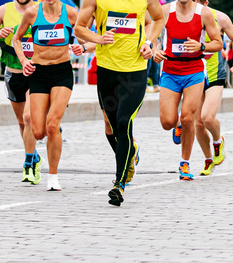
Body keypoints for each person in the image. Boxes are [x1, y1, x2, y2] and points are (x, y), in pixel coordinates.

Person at [76, 0, 166, 206]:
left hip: (135, 71)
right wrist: (98, 38)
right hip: (107, 71)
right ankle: (131, 154)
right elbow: (79, 28)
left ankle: (119, 184)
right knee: (114, 127)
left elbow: (159, 19)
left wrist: (149, 42)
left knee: (125, 122)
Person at [11, 0, 85, 191]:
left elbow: (83, 33)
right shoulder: (32, 13)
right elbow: (16, 39)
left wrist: (81, 46)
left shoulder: (71, 13)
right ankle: (41, 153)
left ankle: (53, 176)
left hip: (62, 72)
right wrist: (23, 60)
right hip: (38, 73)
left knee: (52, 125)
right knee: (38, 132)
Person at [151, 0, 222, 180]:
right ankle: (178, 126)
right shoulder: (165, 11)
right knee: (167, 122)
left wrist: (202, 47)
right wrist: (154, 50)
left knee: (188, 116)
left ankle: (185, 162)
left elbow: (218, 43)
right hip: (170, 71)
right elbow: (149, 34)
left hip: (194, 71)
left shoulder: (203, 13)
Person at [0, 0, 44, 185]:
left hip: (36, 73)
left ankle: (28, 163)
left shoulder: (41, 9)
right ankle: (34, 155)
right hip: (14, 73)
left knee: (29, 116)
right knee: (22, 121)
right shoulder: (4, 10)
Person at [192, 0, 233, 176]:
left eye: (198, 2)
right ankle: (208, 160)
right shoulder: (185, 17)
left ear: (206, 2)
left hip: (214, 73)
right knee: (197, 123)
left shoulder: (220, 17)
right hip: (194, 73)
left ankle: (218, 141)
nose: (194, 5)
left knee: (207, 118)